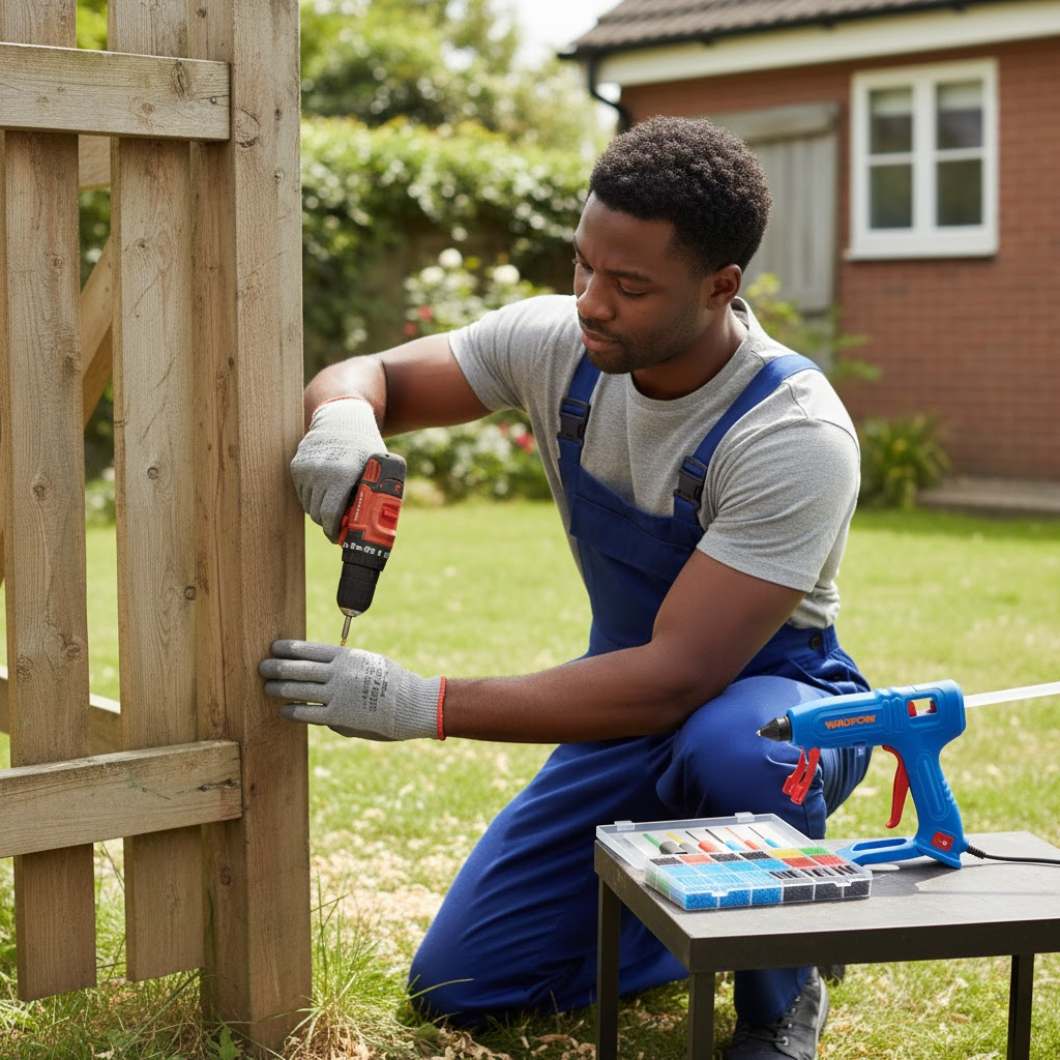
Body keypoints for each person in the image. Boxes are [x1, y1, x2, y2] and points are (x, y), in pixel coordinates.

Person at [260, 115, 871, 1060]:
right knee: (464, 986)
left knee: (737, 752)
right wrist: (343, 416)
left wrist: (423, 703)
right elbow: (375, 371)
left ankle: (779, 989)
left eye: (629, 285)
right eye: (583, 263)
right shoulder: (557, 343)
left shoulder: (793, 435)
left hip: (774, 704)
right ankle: (714, 912)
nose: (591, 301)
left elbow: (680, 675)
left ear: (721, 288)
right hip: (625, 698)